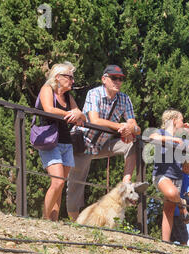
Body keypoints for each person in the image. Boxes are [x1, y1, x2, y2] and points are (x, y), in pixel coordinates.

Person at [66, 65, 147, 221]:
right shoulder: (94, 93)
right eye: (114, 78)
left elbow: (136, 126)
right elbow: (95, 120)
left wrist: (131, 128)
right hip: (84, 144)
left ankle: (126, 185)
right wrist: (121, 127)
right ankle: (76, 225)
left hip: (102, 145)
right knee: (75, 187)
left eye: (121, 79)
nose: (118, 81)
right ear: (104, 79)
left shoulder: (124, 99)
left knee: (133, 143)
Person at [36, 61, 86, 221]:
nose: (72, 81)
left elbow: (81, 116)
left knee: (60, 185)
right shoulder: (47, 89)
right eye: (69, 77)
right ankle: (44, 219)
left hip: (66, 143)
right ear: (58, 77)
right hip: (50, 141)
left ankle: (53, 221)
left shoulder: (68, 96)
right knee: (57, 182)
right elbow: (48, 109)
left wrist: (78, 114)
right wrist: (70, 114)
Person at [149, 110, 189, 242]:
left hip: (177, 178)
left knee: (168, 211)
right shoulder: (161, 133)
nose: (183, 122)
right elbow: (152, 138)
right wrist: (172, 139)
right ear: (173, 120)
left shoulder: (182, 140)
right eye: (181, 119)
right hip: (161, 175)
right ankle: (182, 205)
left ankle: (165, 243)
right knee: (172, 193)